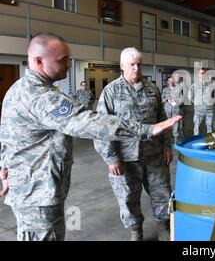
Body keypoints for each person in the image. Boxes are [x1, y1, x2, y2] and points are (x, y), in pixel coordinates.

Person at [0, 33, 181, 241]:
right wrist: (147, 130)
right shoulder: (40, 96)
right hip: (38, 193)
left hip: (30, 186)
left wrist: (7, 170)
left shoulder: (18, 89)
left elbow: (8, 135)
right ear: (38, 61)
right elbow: (90, 122)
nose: (69, 64)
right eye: (63, 60)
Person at [94, 47, 174, 241]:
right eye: (132, 65)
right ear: (122, 66)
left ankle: (164, 227)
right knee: (128, 198)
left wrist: (167, 146)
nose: (136, 68)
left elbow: (162, 119)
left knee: (162, 192)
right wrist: (111, 158)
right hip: (126, 159)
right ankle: (135, 231)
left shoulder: (152, 88)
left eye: (139, 64)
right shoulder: (111, 91)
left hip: (154, 155)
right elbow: (101, 128)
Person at [188, 68, 215, 135]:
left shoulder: (210, 85)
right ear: (198, 75)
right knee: (197, 127)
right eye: (201, 73)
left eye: (204, 73)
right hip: (198, 110)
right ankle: (196, 141)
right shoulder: (195, 85)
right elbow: (189, 95)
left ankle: (209, 142)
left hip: (209, 110)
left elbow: (214, 95)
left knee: (209, 127)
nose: (202, 75)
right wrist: (196, 102)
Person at [162, 75, 184, 142]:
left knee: (176, 125)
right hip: (167, 110)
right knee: (168, 124)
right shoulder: (165, 90)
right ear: (167, 82)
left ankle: (176, 140)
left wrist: (175, 99)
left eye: (172, 80)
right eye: (169, 80)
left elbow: (182, 100)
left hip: (176, 109)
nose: (171, 82)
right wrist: (167, 99)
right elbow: (162, 99)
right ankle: (168, 139)